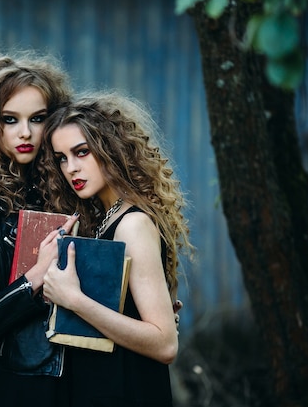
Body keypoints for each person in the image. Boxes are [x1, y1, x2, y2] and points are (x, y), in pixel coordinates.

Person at [40, 91, 193, 407]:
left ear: (110, 148)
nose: (71, 168)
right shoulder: (105, 218)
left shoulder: (131, 224)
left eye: (82, 152)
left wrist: (73, 300)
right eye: (62, 158)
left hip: (129, 389)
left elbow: (165, 344)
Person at [0, 51, 79, 407]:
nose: (26, 132)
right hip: (21, 379)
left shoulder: (67, 189)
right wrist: (34, 278)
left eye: (38, 118)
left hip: (80, 370)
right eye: (10, 119)